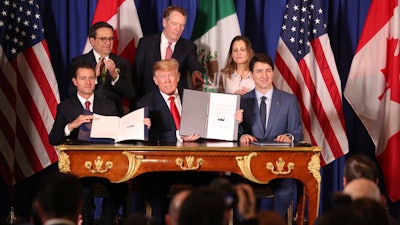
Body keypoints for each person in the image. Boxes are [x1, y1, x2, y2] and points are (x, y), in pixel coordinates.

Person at [48, 62, 149, 225]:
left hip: (108, 165)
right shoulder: (65, 107)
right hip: (80, 168)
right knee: (85, 192)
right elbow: (53, 138)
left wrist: (140, 126)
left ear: (96, 80)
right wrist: (71, 125)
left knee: (120, 188)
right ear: (75, 81)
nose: (88, 82)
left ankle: (105, 222)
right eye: (83, 78)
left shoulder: (108, 104)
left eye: (91, 78)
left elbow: (121, 134)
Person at [238, 53, 303, 218]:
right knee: (240, 197)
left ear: (273, 73)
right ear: (251, 74)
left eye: (268, 71)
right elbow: (235, 134)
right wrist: (242, 135)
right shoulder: (242, 101)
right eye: (259, 71)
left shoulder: (289, 100)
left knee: (284, 195)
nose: (264, 76)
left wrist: (290, 137)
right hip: (249, 167)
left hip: (279, 167)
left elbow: (297, 132)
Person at [133, 5, 204, 99]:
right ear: (164, 22)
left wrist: (196, 73)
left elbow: (194, 65)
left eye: (182, 25)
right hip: (149, 99)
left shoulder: (188, 47)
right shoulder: (146, 43)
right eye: (174, 24)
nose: (178, 29)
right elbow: (137, 75)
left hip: (176, 100)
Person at [70, 21, 135, 116]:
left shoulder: (122, 62)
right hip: (87, 114)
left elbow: (131, 93)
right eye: (103, 39)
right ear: (92, 41)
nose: (108, 43)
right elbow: (72, 92)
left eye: (111, 39)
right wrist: (94, 77)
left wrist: (115, 77)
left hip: (114, 115)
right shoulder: (79, 62)